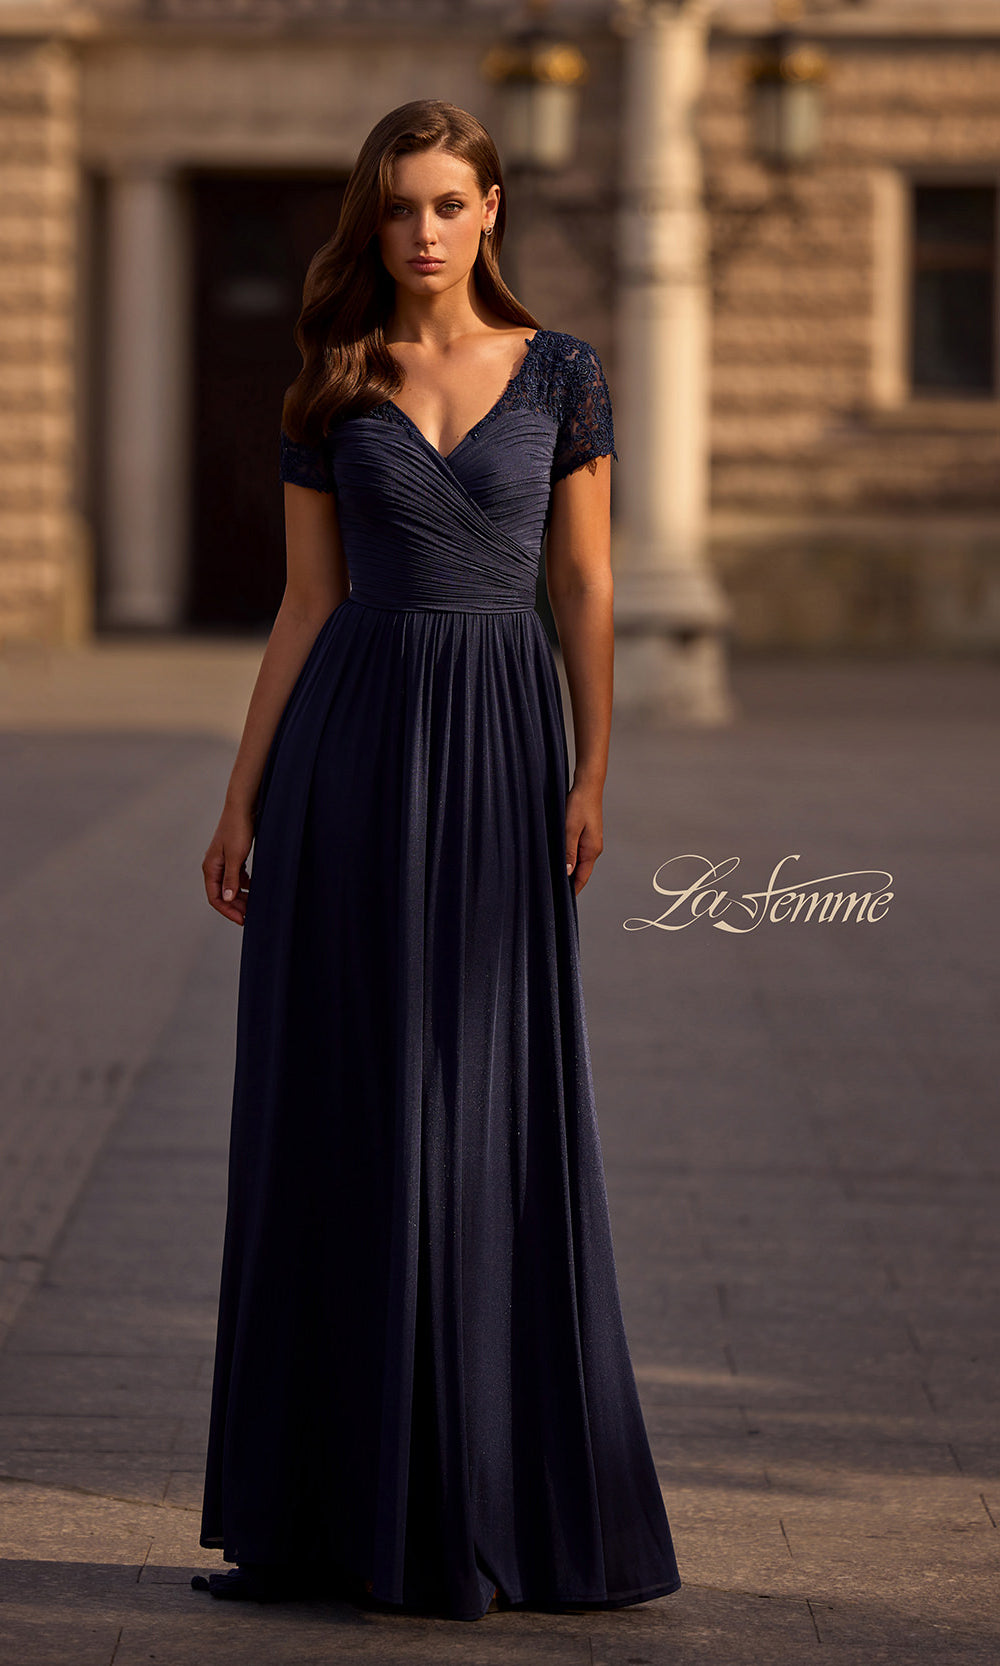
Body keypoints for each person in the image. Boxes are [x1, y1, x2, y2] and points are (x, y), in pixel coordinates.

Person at [191, 97, 681, 1624]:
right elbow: (305, 604)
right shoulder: (333, 382)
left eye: (447, 205)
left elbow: (586, 582)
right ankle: (334, 1510)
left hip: (503, 750)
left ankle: (498, 1489)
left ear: (492, 213)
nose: (420, 232)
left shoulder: (566, 375)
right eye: (398, 206)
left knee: (486, 1098)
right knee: (352, 1099)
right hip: (351, 762)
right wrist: (240, 797)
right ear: (376, 216)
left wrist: (594, 765)